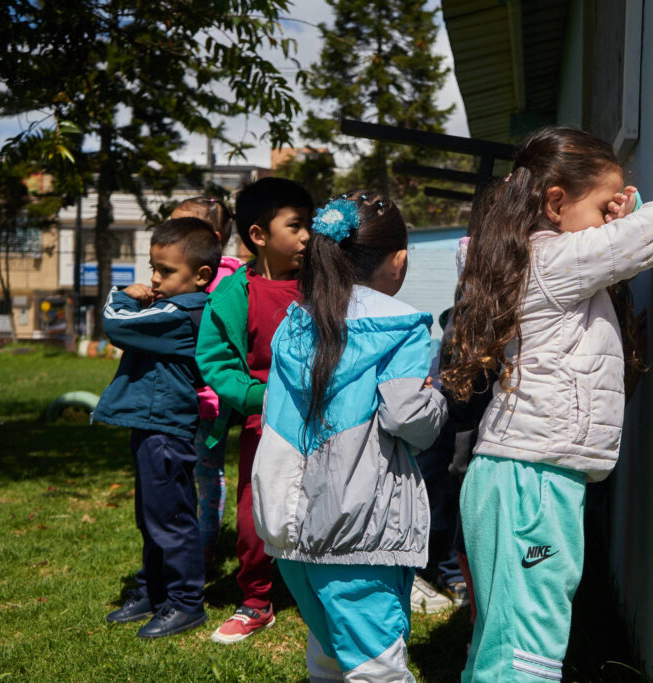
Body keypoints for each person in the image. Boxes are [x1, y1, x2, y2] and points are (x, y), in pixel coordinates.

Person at [440, 126, 653, 681]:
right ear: (554, 203)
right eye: (602, 207)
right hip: (532, 480)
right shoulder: (551, 262)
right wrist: (634, 209)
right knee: (529, 639)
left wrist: (607, 212)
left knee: (505, 635)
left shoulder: (523, 258)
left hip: (517, 472)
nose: (608, 220)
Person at [251, 191, 447, 680]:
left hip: (288, 522)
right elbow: (407, 416)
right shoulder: (400, 326)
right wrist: (438, 398)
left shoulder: (295, 323)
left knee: (329, 647)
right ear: (398, 260)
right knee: (376, 663)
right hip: (356, 525)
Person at [195, 177, 313, 644]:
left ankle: (322, 588)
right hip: (264, 423)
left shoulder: (326, 285)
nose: (307, 236)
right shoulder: (233, 294)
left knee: (325, 507)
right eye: (296, 225)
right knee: (254, 515)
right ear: (259, 235)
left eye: (311, 225)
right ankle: (256, 600)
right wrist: (258, 398)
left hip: (328, 423)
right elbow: (217, 361)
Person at [94, 217, 220, 638]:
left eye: (166, 271)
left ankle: (186, 603)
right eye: (153, 268)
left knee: (171, 519)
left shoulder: (184, 313)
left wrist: (121, 295)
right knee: (151, 518)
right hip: (150, 425)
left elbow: (115, 326)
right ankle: (154, 590)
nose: (154, 279)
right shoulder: (170, 308)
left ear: (201, 276)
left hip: (165, 428)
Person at [169, 196, 242, 574]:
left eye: (179, 229)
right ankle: (180, 542)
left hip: (212, 398)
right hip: (175, 390)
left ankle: (205, 547)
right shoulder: (172, 274)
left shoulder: (230, 280)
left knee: (206, 469)